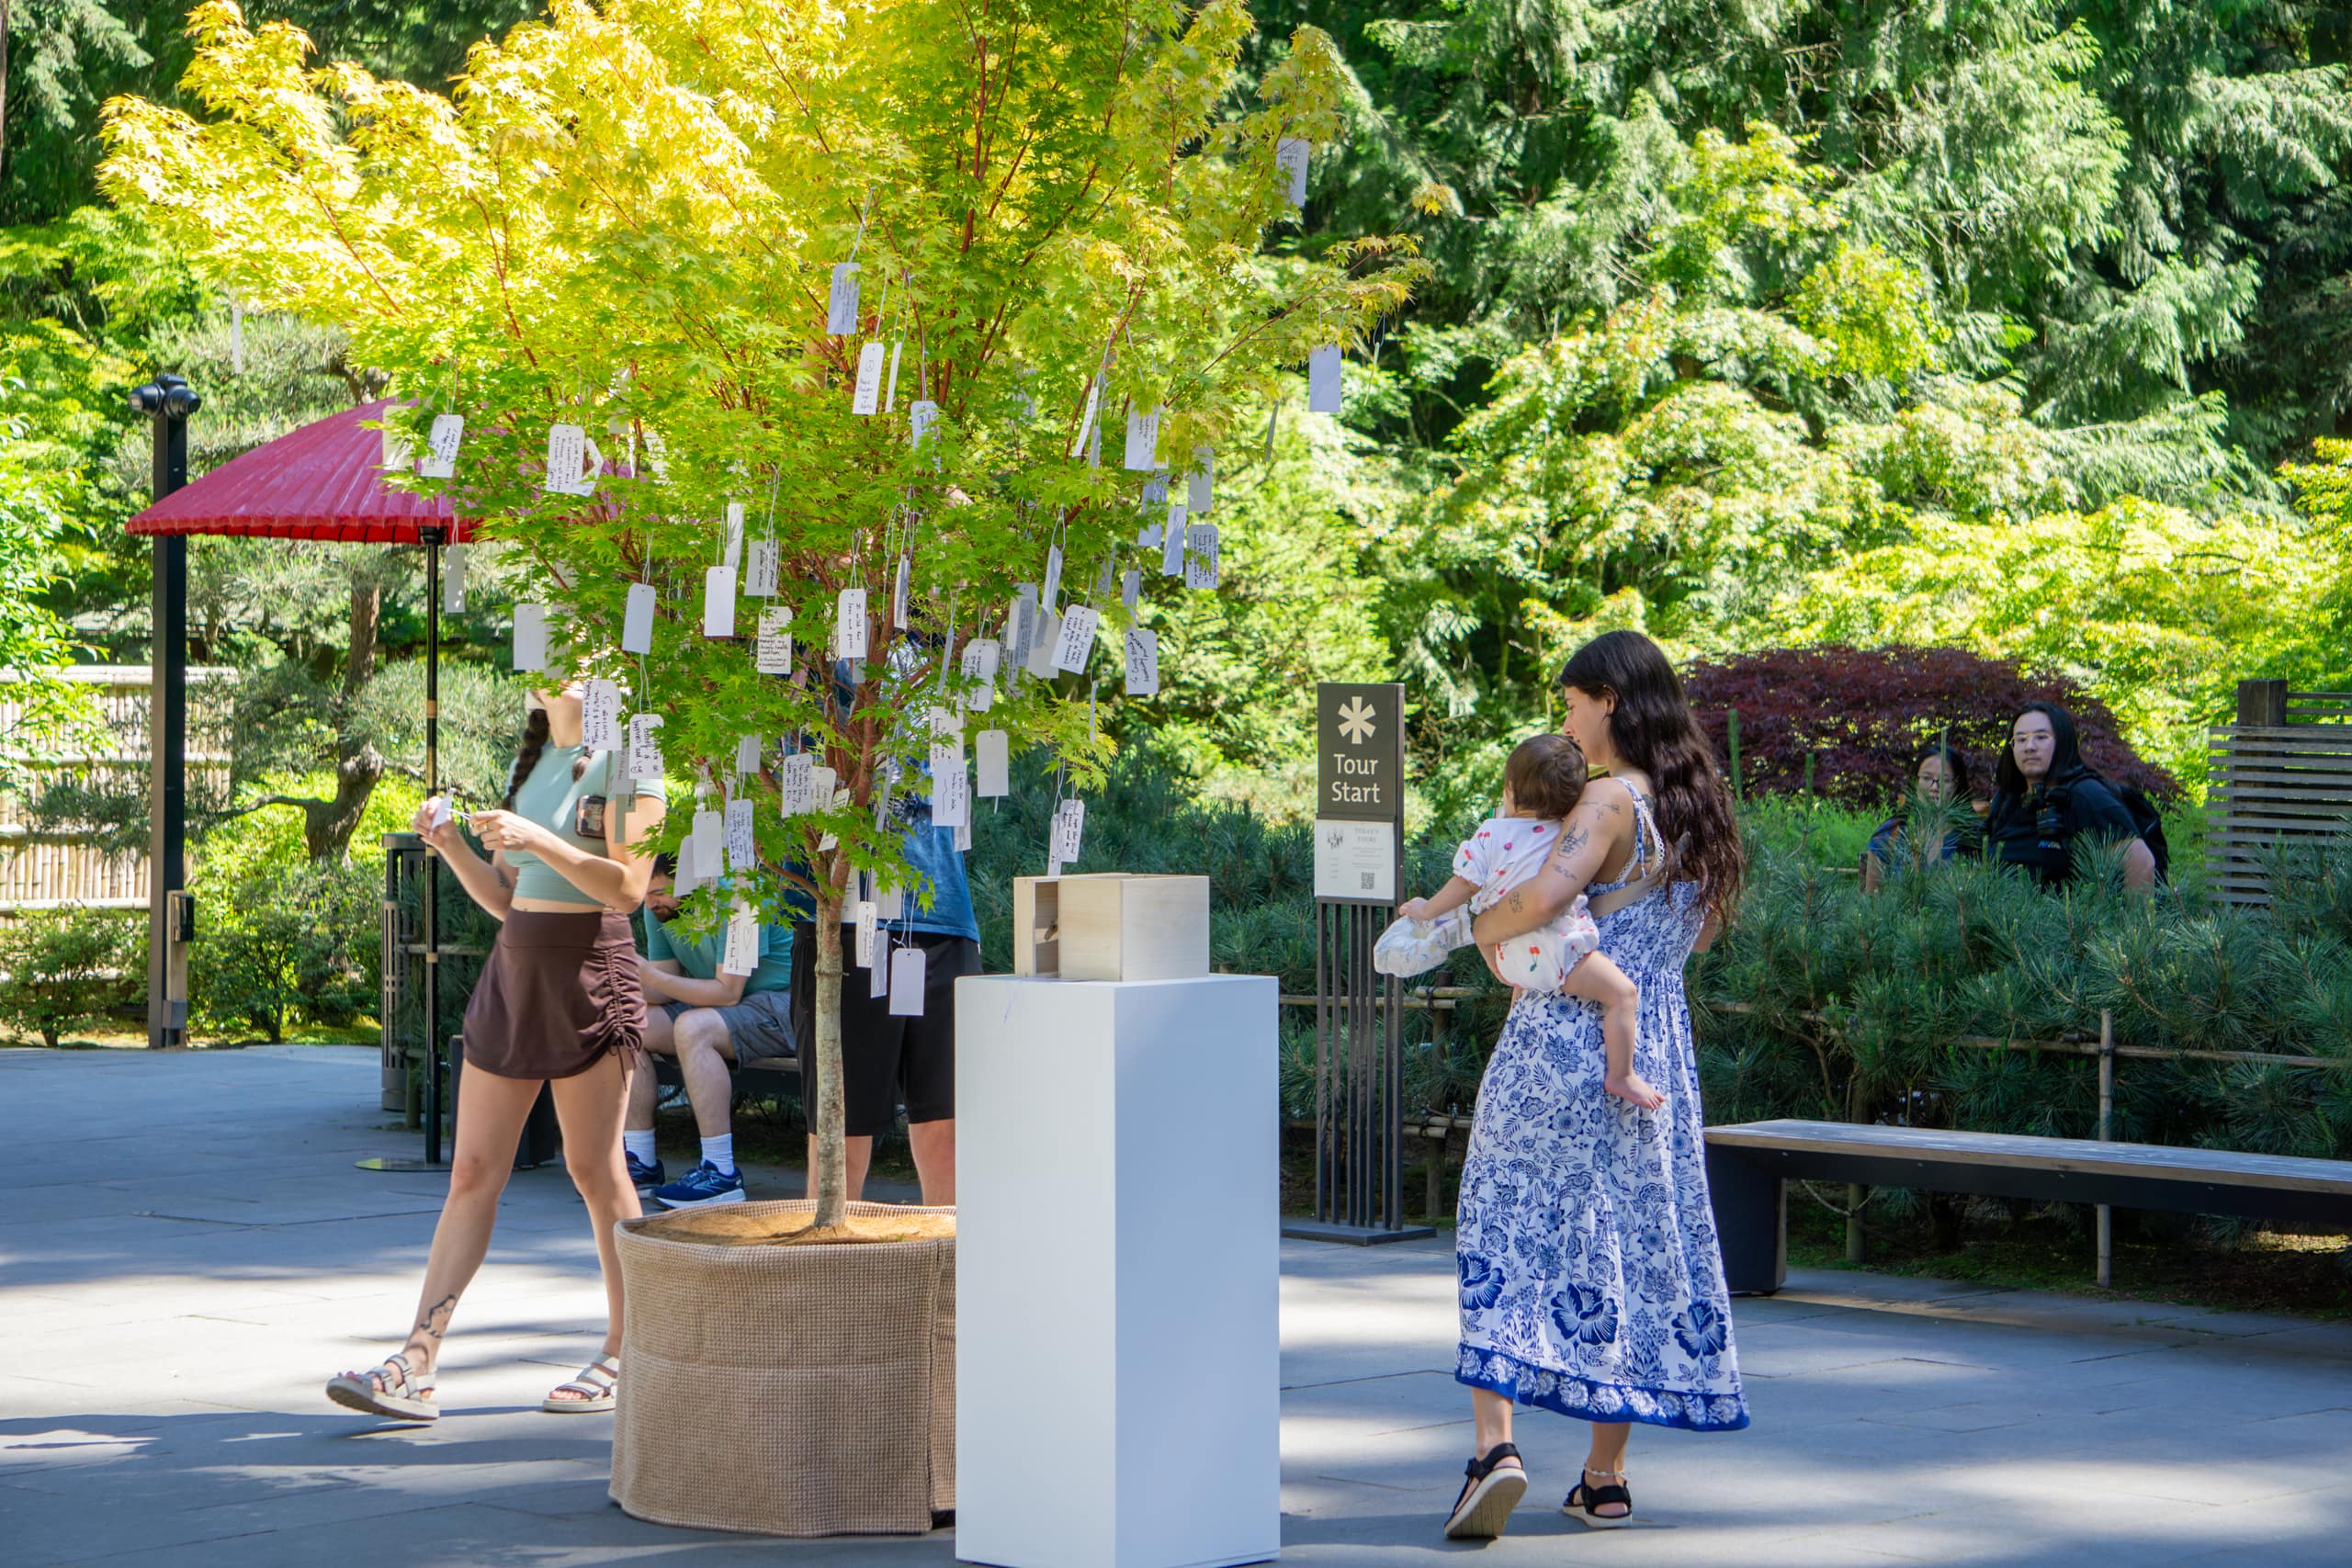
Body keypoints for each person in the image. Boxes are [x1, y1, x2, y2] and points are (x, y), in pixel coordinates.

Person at [1442, 629, 1748, 1540]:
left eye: (1571, 703)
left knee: (1501, 1223)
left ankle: (1493, 1455)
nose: (1565, 723)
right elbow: (1698, 938)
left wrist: (1472, 925)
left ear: (1608, 700)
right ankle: (1605, 1479)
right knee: (1629, 1246)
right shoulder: (1701, 805)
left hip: (1557, 1038)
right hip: (1654, 1050)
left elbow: (1545, 895)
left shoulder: (1606, 802)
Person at [326, 677, 664, 1423]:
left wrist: (538, 837)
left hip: (589, 969)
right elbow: (510, 898)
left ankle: (627, 1347)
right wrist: (449, 845)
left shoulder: (633, 751)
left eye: (572, 639)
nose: (556, 661)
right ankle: (415, 1362)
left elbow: (630, 887)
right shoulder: (538, 762)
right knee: (472, 1169)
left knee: (593, 1167)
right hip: (514, 969)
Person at [1376, 731, 1661, 1109]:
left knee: (1506, 967)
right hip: (1560, 949)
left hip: (1507, 954)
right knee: (1622, 995)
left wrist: (1428, 910)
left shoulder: (1491, 834)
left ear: (1510, 791)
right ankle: (1622, 1076)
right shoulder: (1569, 833)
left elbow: (1464, 883)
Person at [622, 853, 797, 1209]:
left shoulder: (743, 895)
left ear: (690, 883)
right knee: (626, 1022)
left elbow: (728, 992)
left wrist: (651, 977)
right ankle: (640, 1162)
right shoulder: (660, 909)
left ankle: (721, 1172)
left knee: (693, 1028)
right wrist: (617, 978)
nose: (649, 901)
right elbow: (661, 987)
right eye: (645, 892)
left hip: (784, 1003)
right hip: (722, 1004)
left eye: (657, 892)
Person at [1981, 702, 2157, 892]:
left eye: (2041, 737)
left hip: (2073, 919)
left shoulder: (2086, 795)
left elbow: (2141, 862)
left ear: (2063, 741)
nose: (2029, 747)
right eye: (2021, 739)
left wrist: (2135, 922)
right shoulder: (2009, 798)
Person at [1861, 743, 1975, 892]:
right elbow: (1872, 905)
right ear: (1915, 782)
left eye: (1945, 780)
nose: (1934, 788)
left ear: (1957, 786)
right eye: (1927, 778)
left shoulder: (1972, 841)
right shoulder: (1889, 836)